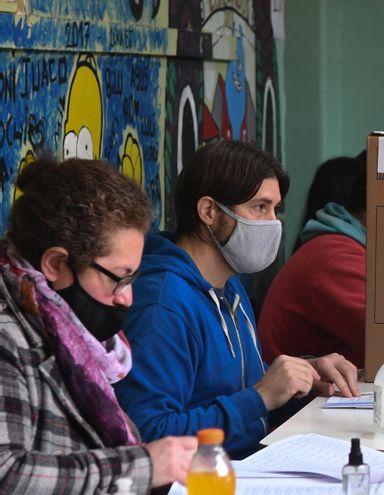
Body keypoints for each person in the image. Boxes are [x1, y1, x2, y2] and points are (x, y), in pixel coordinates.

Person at [114, 140, 359, 459]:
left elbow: (239, 394)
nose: (273, 223)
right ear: (209, 211)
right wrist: (260, 398)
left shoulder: (230, 285)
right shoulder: (163, 304)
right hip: (201, 478)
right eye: (260, 207)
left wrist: (304, 377)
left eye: (275, 209)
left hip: (250, 464)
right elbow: (149, 435)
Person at [0, 156, 197, 493]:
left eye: (133, 279)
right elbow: (6, 474)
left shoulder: (71, 332)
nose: (127, 298)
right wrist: (144, 466)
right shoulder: (9, 337)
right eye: (118, 278)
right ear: (55, 264)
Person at [259, 157, 367, 366]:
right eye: (260, 207)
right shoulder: (336, 257)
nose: (273, 221)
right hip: (294, 387)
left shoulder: (336, 248)